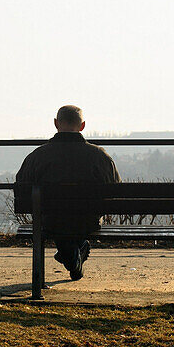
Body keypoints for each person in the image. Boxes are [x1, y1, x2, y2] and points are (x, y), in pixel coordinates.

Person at [14, 105, 121, 280]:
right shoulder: (99, 156)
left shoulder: (37, 156)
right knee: (71, 222)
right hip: (88, 222)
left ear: (56, 123)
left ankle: (71, 254)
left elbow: (21, 189)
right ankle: (73, 253)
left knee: (59, 221)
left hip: (50, 221)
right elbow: (115, 190)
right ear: (82, 125)